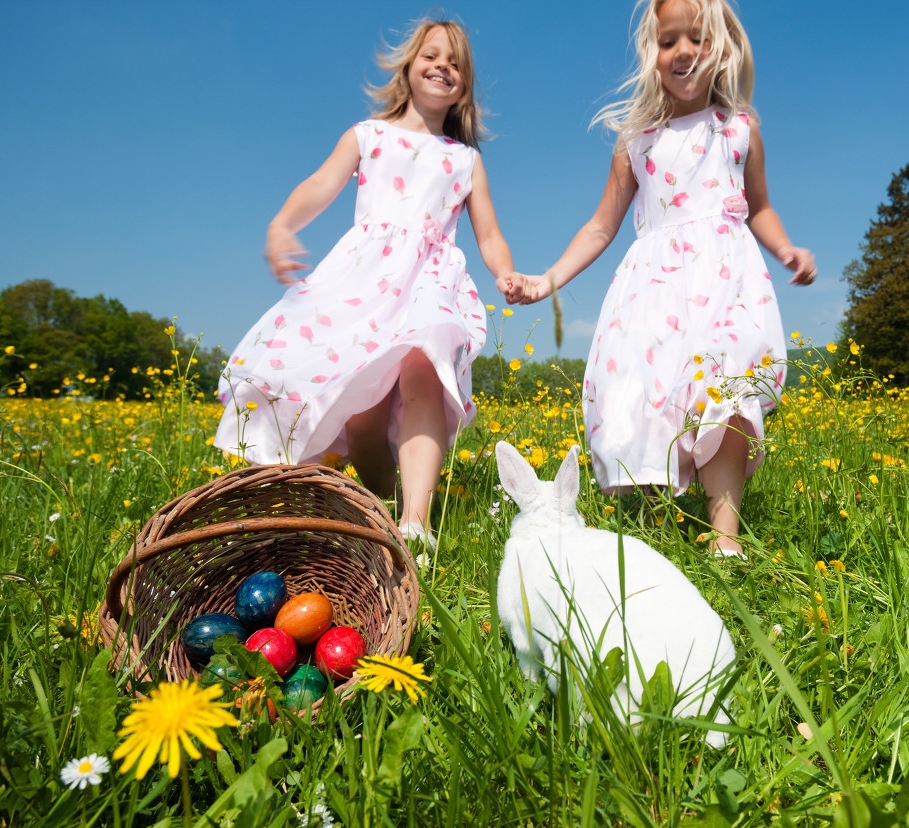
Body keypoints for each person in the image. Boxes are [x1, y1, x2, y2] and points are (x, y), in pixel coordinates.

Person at [499, 0, 815, 558]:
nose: (683, 51)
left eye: (697, 38)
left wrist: (786, 247)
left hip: (727, 282)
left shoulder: (738, 131)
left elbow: (758, 206)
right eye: (669, 41)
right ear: (652, 55)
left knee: (728, 386)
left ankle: (725, 542)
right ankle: (653, 532)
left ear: (721, 48)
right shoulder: (636, 141)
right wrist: (545, 281)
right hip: (652, 292)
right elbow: (600, 227)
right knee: (646, 403)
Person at [214, 19, 513, 549]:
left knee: (427, 367)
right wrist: (283, 224)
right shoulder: (367, 135)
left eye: (455, 63)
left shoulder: (465, 160)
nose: (443, 67)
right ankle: (381, 509)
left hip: (431, 281)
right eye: (432, 56)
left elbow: (488, 234)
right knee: (366, 419)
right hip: (365, 281)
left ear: (464, 85)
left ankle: (417, 523)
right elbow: (320, 185)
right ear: (408, 66)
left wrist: (505, 272)